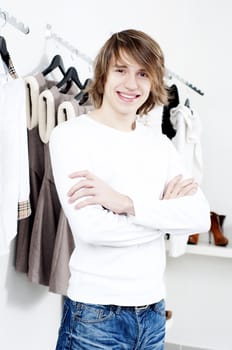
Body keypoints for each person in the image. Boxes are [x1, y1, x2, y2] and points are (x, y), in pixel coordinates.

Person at [49, 29, 210, 350]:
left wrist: (125, 203)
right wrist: (164, 217)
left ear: (153, 83)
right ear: (103, 75)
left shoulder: (161, 145)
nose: (132, 84)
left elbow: (200, 218)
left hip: (153, 312)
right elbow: (93, 230)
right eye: (121, 70)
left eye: (143, 74)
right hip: (95, 315)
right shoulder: (70, 136)